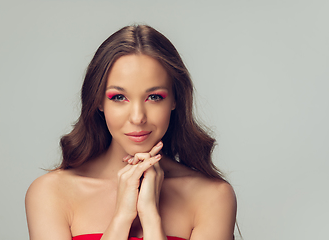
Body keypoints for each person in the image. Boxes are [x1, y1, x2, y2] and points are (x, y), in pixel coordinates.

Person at [25, 25, 237, 240]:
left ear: (175, 99)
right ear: (98, 101)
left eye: (154, 97)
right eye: (119, 97)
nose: (137, 117)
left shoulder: (213, 197)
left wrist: (151, 216)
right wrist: (122, 216)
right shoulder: (51, 193)